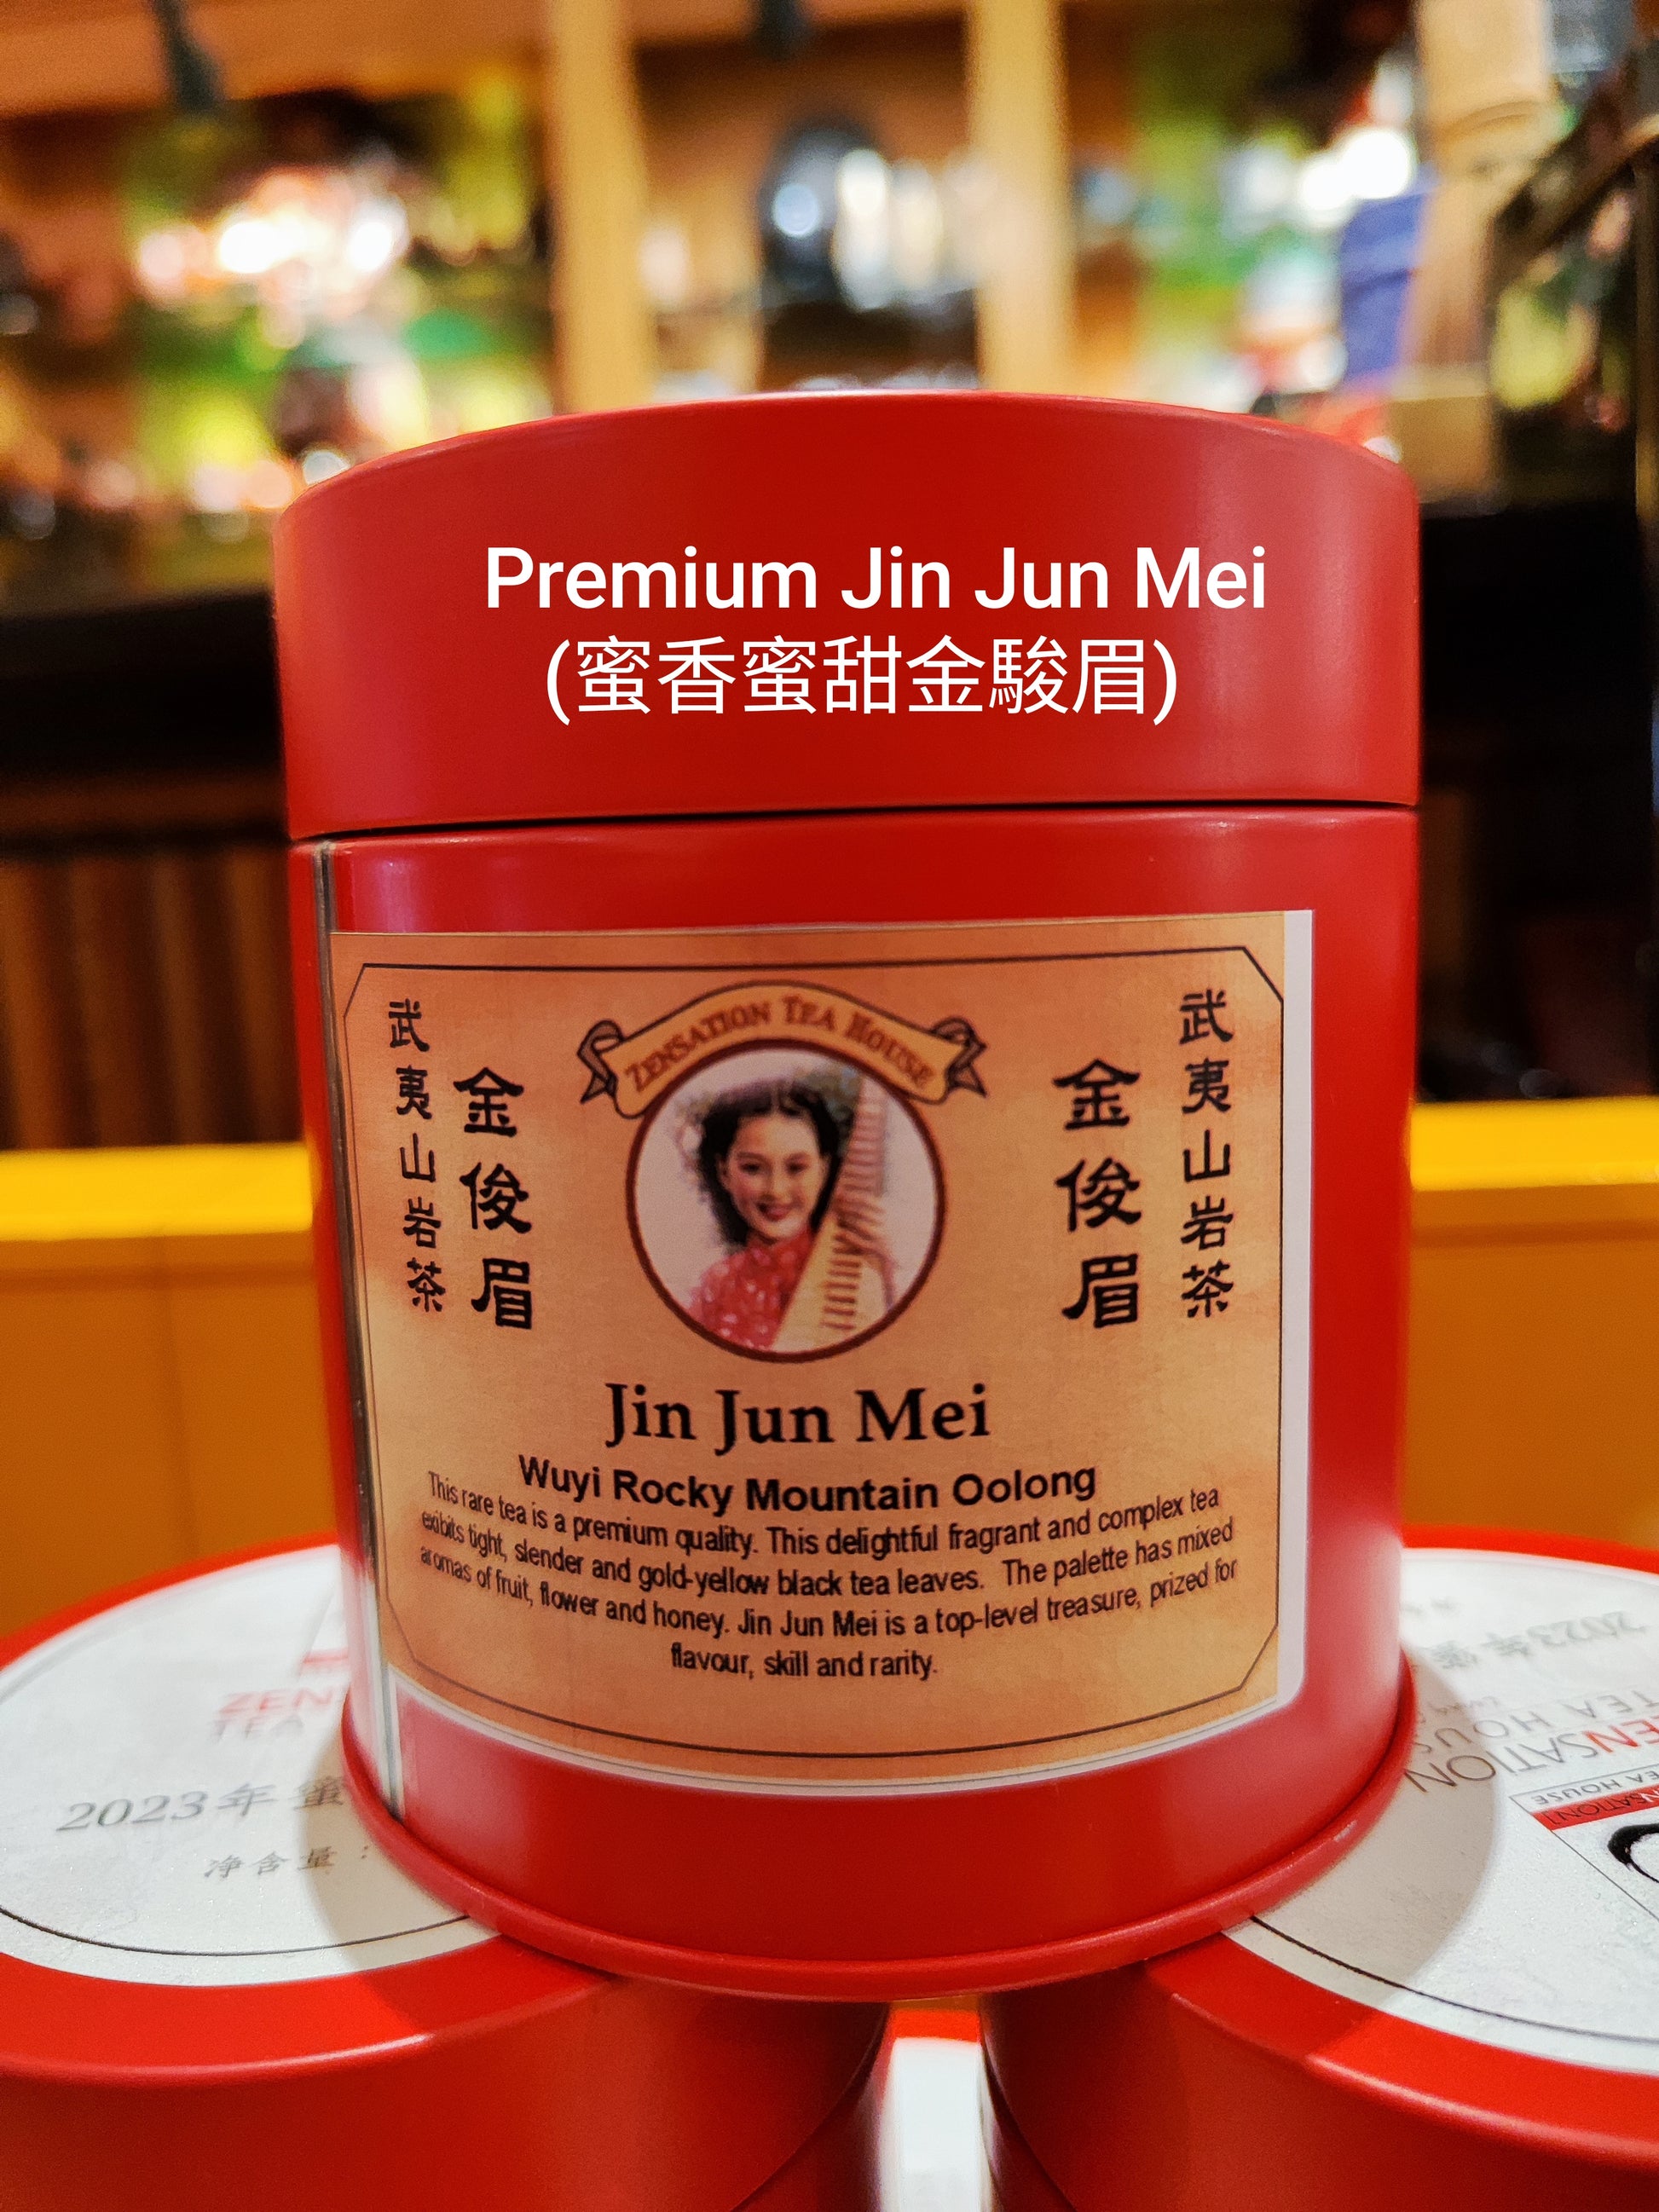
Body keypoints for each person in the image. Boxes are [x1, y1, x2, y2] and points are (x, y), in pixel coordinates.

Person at [685, 1078, 893, 1353]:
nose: (776, 1190)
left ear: (824, 1169)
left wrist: (891, 1276)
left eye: (796, 1168)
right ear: (724, 1172)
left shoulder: (871, 1272)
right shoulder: (714, 1288)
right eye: (752, 1168)